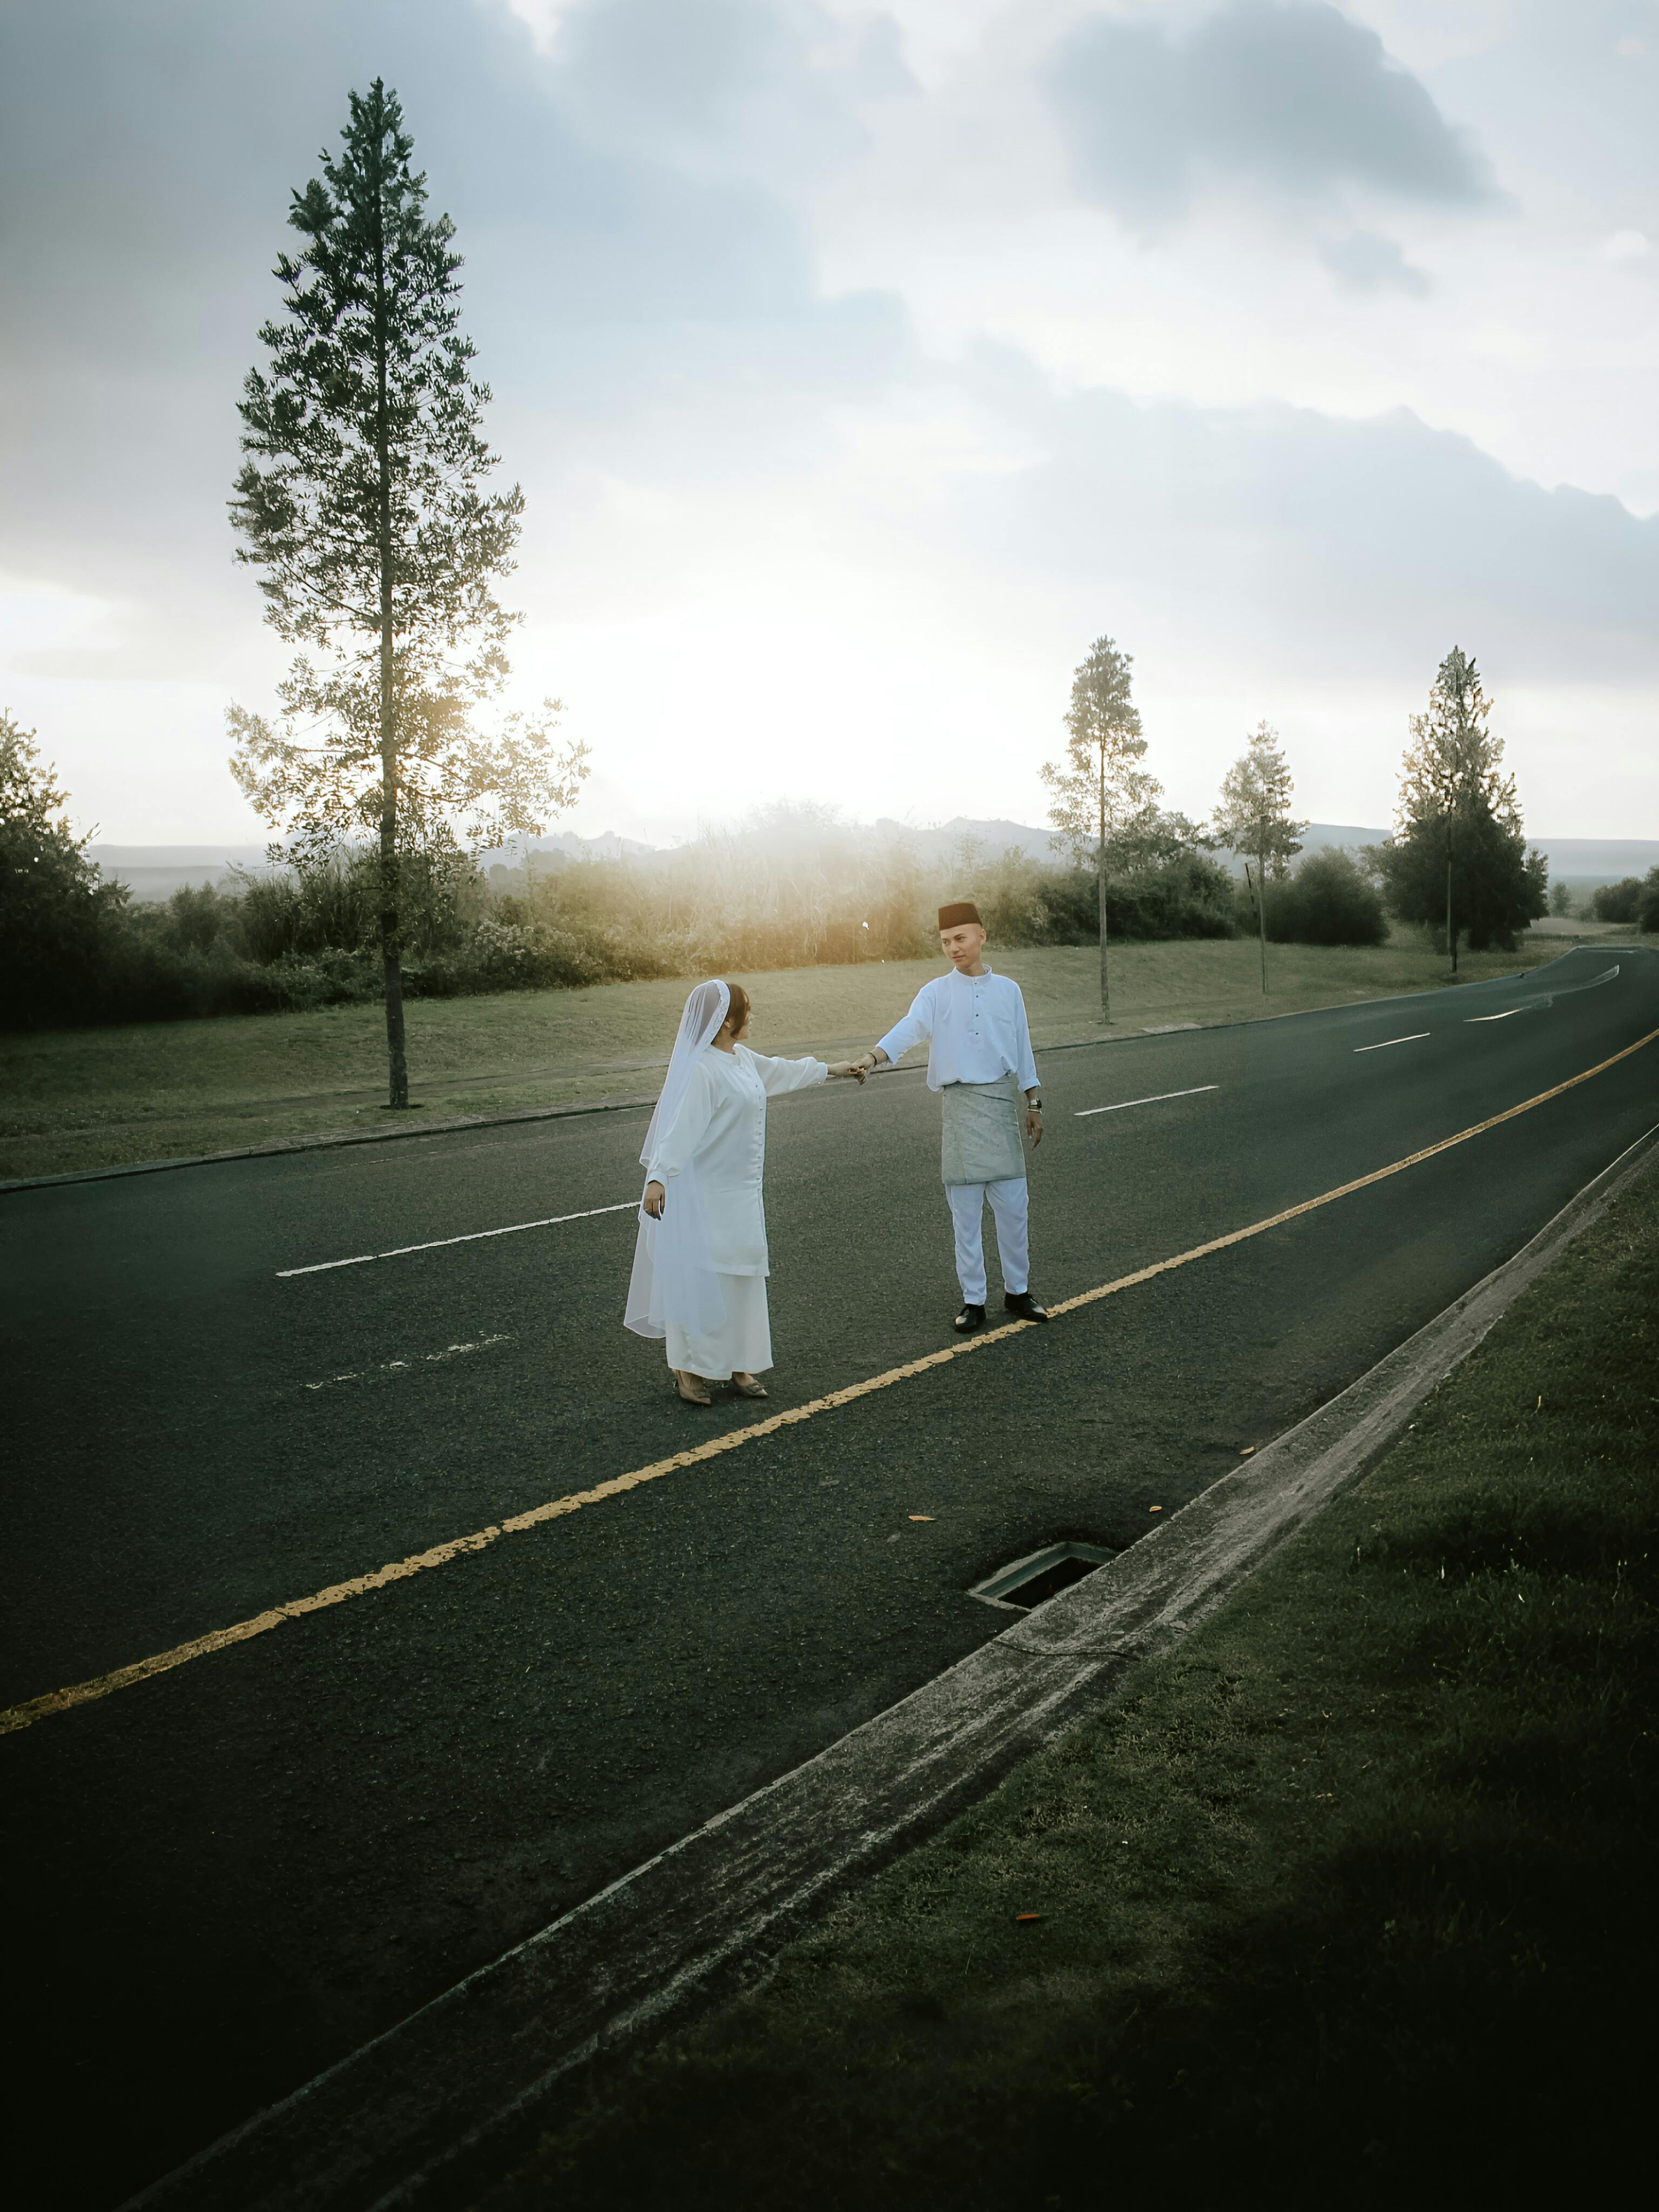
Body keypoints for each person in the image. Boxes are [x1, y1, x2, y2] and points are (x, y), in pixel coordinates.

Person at [625, 979, 867, 1404]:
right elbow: (680, 1129)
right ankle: (688, 1369)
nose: (751, 1017)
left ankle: (739, 1365)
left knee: (742, 1277)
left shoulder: (740, 1059)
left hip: (742, 1194)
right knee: (704, 1277)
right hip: (706, 1193)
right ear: (724, 1022)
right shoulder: (701, 1070)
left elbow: (781, 1069)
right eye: (746, 1012)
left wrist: (833, 1068)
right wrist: (660, 1175)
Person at [853, 902, 1048, 1335]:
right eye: (945, 942)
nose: (954, 948)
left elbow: (1022, 1048)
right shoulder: (936, 992)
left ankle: (1018, 1292)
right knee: (966, 1216)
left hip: (999, 1107)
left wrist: (1033, 1103)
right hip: (960, 1108)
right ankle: (973, 1300)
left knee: (1015, 1210)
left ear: (982, 936)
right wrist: (873, 1057)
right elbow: (910, 1028)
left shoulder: (1009, 991)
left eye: (960, 938)